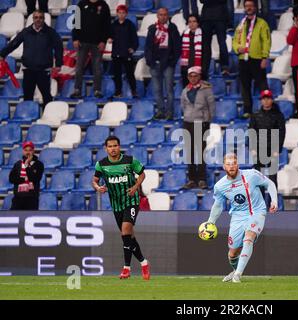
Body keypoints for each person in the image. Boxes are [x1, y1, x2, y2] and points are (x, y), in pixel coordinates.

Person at [207, 153, 278, 283]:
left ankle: (238, 274)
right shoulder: (220, 186)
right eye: (228, 164)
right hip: (237, 216)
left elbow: (270, 184)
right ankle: (235, 270)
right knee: (232, 253)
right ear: (224, 167)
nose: (231, 166)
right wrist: (210, 222)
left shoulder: (251, 175)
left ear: (237, 165)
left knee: (248, 238)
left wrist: (274, 200)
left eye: (234, 163)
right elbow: (218, 205)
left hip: (256, 211)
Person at [92, 136, 150, 280]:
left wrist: (135, 187)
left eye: (115, 146)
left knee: (125, 231)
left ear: (119, 147)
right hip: (116, 204)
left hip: (131, 201)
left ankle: (126, 268)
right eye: (110, 146)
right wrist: (98, 187)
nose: (113, 149)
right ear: (106, 148)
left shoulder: (130, 161)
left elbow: (142, 174)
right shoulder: (101, 164)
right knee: (128, 237)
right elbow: (94, 180)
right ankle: (144, 262)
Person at [0, 10, 63, 108]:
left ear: (44, 19)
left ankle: (47, 117)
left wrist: (59, 64)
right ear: (33, 19)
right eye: (36, 17)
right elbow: (14, 44)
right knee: (27, 97)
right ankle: (28, 114)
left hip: (44, 70)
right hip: (28, 70)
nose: (38, 20)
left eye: (40, 17)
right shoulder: (26, 32)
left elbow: (59, 47)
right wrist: (2, 55)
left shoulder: (51, 32)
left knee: (47, 96)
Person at [232, 0, 271, 119]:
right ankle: (248, 110)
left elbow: (266, 41)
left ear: (255, 8)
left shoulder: (262, 23)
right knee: (245, 86)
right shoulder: (241, 24)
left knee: (263, 86)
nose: (248, 8)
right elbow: (234, 40)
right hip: (243, 59)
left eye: (251, 6)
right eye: (246, 6)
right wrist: (238, 49)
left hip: (257, 58)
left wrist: (265, 57)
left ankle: (267, 109)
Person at [180, 66, 215, 189]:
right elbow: (182, 105)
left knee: (200, 151)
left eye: (195, 76)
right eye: (190, 76)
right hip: (188, 122)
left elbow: (211, 106)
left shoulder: (206, 90)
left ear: (199, 76)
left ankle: (201, 179)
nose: (193, 78)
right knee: (189, 152)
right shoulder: (185, 90)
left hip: (201, 123)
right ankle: (191, 179)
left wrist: (207, 120)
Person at [145, 7, 181, 120]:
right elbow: (148, 47)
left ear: (168, 16)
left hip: (168, 64)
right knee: (157, 90)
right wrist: (150, 61)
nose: (163, 17)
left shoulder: (172, 28)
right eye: (161, 14)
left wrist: (172, 61)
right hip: (154, 64)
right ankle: (160, 111)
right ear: (157, 16)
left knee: (169, 90)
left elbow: (177, 47)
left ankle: (170, 112)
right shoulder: (152, 29)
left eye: (165, 14)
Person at [71, 0, 111, 99]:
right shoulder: (81, 4)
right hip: (82, 41)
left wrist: (103, 41)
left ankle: (97, 90)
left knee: (97, 68)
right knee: (79, 67)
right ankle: (77, 90)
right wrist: (75, 38)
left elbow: (107, 25)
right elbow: (76, 22)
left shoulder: (104, 5)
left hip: (97, 43)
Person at [249, 89, 286, 187]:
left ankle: (273, 201)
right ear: (261, 100)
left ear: (272, 100)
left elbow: (281, 132)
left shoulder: (278, 115)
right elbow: (252, 132)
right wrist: (252, 148)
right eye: (264, 99)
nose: (266, 101)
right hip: (258, 148)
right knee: (258, 177)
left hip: (272, 149)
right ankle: (259, 201)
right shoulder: (255, 115)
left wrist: (277, 149)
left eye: (268, 98)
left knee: (272, 177)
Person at [109, 5, 139, 99]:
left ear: (126, 14)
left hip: (126, 53)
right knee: (117, 74)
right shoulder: (113, 24)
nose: (121, 15)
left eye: (123, 13)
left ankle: (134, 91)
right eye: (119, 13)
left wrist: (133, 48)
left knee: (130, 74)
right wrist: (109, 38)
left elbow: (135, 39)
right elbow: (110, 35)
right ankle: (118, 92)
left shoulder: (130, 25)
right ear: (117, 13)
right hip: (116, 53)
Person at [8, 142, 44, 211]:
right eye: (26, 150)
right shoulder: (18, 164)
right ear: (23, 151)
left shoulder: (39, 164)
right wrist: (23, 179)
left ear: (33, 151)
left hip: (31, 199)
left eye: (30, 150)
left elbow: (35, 179)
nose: (28, 152)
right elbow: (11, 179)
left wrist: (27, 166)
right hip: (18, 199)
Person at [200, 0, 230, 77]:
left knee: (218, 43)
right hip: (218, 16)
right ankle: (224, 67)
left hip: (211, 16)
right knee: (210, 44)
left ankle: (205, 69)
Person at [180, 14, 205, 87]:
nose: (192, 24)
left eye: (194, 21)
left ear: (198, 23)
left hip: (199, 67)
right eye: (190, 22)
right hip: (186, 68)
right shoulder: (184, 35)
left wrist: (203, 68)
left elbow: (207, 53)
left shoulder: (203, 35)